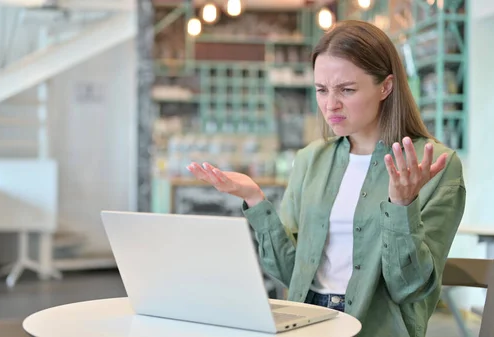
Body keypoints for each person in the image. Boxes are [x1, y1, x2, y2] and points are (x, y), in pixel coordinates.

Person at [187, 20, 466, 337]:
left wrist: (403, 206)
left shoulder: (435, 165)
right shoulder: (310, 160)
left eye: (347, 90)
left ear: (386, 86)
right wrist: (254, 199)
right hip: (306, 320)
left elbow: (410, 288)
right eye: (321, 90)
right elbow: (291, 273)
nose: (330, 104)